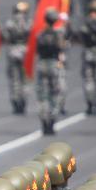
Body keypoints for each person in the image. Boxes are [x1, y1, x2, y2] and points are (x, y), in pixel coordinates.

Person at [35, 7, 65, 135]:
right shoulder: (58, 35)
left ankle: (44, 122)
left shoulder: (40, 35)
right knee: (54, 93)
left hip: (42, 64)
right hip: (53, 64)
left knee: (42, 95)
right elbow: (61, 48)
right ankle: (52, 121)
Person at [3, 1, 30, 115]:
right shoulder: (29, 23)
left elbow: (5, 36)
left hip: (13, 51)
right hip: (25, 51)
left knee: (14, 79)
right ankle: (23, 101)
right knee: (24, 79)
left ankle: (15, 102)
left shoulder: (9, 23)